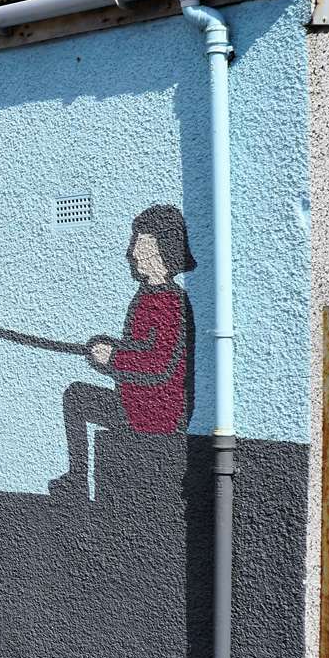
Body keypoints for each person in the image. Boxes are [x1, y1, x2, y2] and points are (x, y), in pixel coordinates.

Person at [51, 203, 196, 497]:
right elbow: (140, 350)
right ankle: (77, 478)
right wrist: (108, 352)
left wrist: (113, 357)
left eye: (140, 245)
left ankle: (79, 479)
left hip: (158, 413)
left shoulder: (171, 301)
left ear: (161, 251)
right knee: (77, 396)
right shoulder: (145, 296)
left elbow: (159, 364)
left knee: (78, 397)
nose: (132, 253)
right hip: (136, 404)